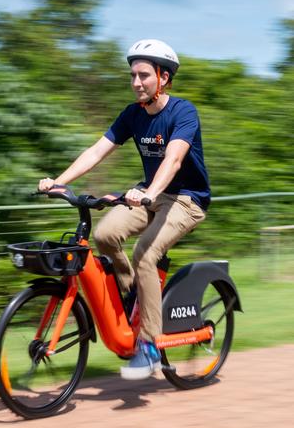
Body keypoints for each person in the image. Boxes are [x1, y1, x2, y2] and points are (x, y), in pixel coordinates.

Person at [38, 39, 210, 380]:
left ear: (163, 77)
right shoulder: (133, 114)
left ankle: (148, 346)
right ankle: (135, 292)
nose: (136, 82)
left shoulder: (183, 112)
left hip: (186, 199)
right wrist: (57, 182)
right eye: (132, 75)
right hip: (150, 194)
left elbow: (174, 159)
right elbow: (96, 151)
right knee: (105, 234)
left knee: (145, 251)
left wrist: (149, 193)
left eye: (144, 75)